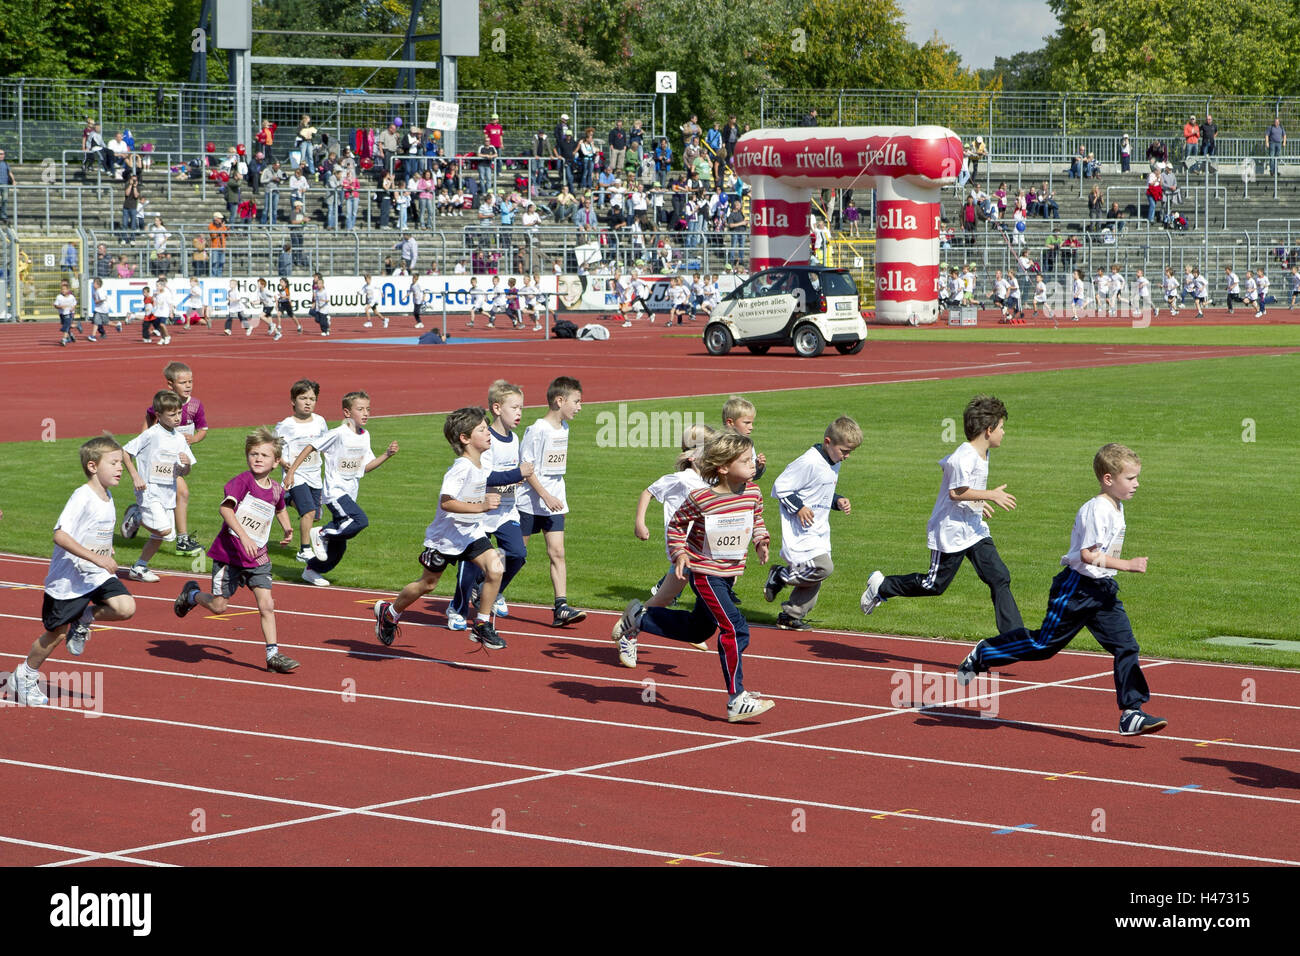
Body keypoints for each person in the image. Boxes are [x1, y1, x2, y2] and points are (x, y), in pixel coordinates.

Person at [955, 444, 1166, 736]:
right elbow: (1088, 555)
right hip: (1076, 590)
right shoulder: (1097, 510)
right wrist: (1127, 564)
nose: (1137, 484)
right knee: (1043, 646)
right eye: (1130, 478)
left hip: (1103, 591)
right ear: (1108, 479)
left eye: (1136, 477)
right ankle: (985, 652)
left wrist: (1113, 571)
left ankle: (1131, 712)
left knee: (1126, 646)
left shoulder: (1117, 507)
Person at [613, 432, 775, 722]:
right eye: (746, 460)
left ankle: (640, 618)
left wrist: (761, 540)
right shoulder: (702, 498)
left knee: (698, 631)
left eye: (752, 459)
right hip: (705, 573)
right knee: (736, 629)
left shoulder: (752, 493)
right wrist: (680, 554)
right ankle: (736, 698)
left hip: (728, 575)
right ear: (724, 467)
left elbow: (757, 519)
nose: (753, 465)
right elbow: (676, 525)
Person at [860, 395, 1023, 633]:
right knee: (933, 585)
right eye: (1001, 427)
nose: (1004, 432)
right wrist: (990, 495)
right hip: (950, 531)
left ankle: (1013, 636)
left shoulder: (984, 453)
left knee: (999, 576)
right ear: (989, 430)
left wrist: (978, 503)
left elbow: (966, 489)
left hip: (974, 530)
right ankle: (882, 586)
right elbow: (956, 492)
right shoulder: (963, 457)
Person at [10, 437, 138, 706]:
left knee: (125, 607)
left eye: (121, 463)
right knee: (55, 634)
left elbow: (95, 530)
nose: (120, 468)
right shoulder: (82, 496)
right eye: (114, 463)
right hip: (68, 579)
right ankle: (24, 675)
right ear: (93, 466)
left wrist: (106, 549)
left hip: (94, 573)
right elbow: (60, 536)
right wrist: (98, 558)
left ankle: (84, 618)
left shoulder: (107, 494)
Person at [373, 407, 508, 650]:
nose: (489, 433)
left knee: (496, 568)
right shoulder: (461, 467)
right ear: (465, 439)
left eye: (488, 428)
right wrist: (481, 505)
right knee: (428, 584)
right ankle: (390, 612)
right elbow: (447, 502)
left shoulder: (481, 464)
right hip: (444, 538)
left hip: (470, 533)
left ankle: (481, 624)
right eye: (482, 430)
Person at [173, 427, 298, 673]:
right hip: (229, 556)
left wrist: (287, 529)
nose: (258, 459)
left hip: (258, 557)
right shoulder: (242, 482)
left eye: (264, 455)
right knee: (219, 606)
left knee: (267, 604)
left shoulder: (275, 489)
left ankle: (272, 654)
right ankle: (191, 595)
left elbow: (280, 507)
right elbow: (226, 509)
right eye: (253, 454)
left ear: (275, 462)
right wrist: (244, 537)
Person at [444, 382, 536, 631]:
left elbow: (510, 475)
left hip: (506, 510)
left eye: (521, 408)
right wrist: (516, 473)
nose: (519, 413)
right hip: (481, 511)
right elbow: (486, 475)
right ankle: (457, 608)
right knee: (470, 563)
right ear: (497, 408)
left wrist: (517, 477)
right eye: (514, 407)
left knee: (517, 554)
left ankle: (489, 590)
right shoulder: (485, 440)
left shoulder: (514, 437)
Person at [620, 425, 718, 655]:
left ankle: (638, 622)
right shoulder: (681, 479)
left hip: (704, 549)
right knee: (679, 595)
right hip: (683, 548)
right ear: (693, 456)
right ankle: (630, 633)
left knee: (666, 597)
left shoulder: (711, 482)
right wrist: (640, 523)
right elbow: (648, 492)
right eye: (711, 451)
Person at [285, 390, 398, 587]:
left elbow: (365, 467)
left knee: (339, 548)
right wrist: (292, 471)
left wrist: (387, 455)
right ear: (347, 412)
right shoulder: (338, 433)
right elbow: (311, 446)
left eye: (368, 409)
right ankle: (322, 533)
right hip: (335, 493)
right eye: (360, 409)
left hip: (350, 493)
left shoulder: (365, 436)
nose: (366, 413)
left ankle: (312, 570)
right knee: (360, 520)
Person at [764, 417, 862, 630]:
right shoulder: (809, 461)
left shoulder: (832, 461)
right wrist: (799, 507)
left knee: (814, 577)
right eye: (844, 451)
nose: (847, 456)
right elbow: (781, 487)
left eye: (850, 452)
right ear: (828, 442)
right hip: (801, 531)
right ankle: (780, 575)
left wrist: (837, 500)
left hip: (819, 529)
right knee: (823, 568)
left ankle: (791, 615)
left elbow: (818, 490)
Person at [516, 376, 587, 627]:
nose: (579, 407)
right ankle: (483, 585)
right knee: (517, 555)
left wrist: (555, 497)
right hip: (530, 502)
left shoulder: (564, 428)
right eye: (576, 402)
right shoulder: (537, 430)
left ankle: (561, 607)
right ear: (560, 400)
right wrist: (545, 495)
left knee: (557, 552)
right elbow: (526, 468)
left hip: (555, 500)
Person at [121, 390, 195, 582]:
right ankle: (136, 516)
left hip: (167, 493)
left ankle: (139, 567)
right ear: (159, 415)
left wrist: (186, 464)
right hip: (148, 490)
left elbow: (185, 472)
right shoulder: (151, 434)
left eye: (179, 413)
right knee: (162, 530)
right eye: (172, 415)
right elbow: (126, 452)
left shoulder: (179, 439)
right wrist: (136, 476)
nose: (177, 418)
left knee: (164, 536)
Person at [275, 379, 330, 564]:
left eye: (312, 399)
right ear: (293, 401)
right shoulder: (286, 425)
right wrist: (284, 463)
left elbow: (325, 445)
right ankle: (304, 550)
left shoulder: (320, 422)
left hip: (315, 474)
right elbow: (276, 447)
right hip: (295, 475)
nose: (308, 402)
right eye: (303, 398)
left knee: (315, 515)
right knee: (308, 512)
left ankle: (287, 499)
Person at [54, 279, 77, 348]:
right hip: (62, 314)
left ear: (68, 290)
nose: (63, 291)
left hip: (69, 313)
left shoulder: (71, 297)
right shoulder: (59, 297)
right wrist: (60, 306)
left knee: (66, 325)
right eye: (62, 289)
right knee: (66, 325)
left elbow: (75, 303)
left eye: (65, 289)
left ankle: (64, 339)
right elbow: (55, 305)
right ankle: (75, 328)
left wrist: (73, 307)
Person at [0, 146, 16, 223]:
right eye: (0, 154)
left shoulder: (6, 163)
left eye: (3, 154)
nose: (2, 155)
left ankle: (3, 216)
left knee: (5, 200)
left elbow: (10, 172)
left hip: (5, 184)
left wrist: (13, 181)